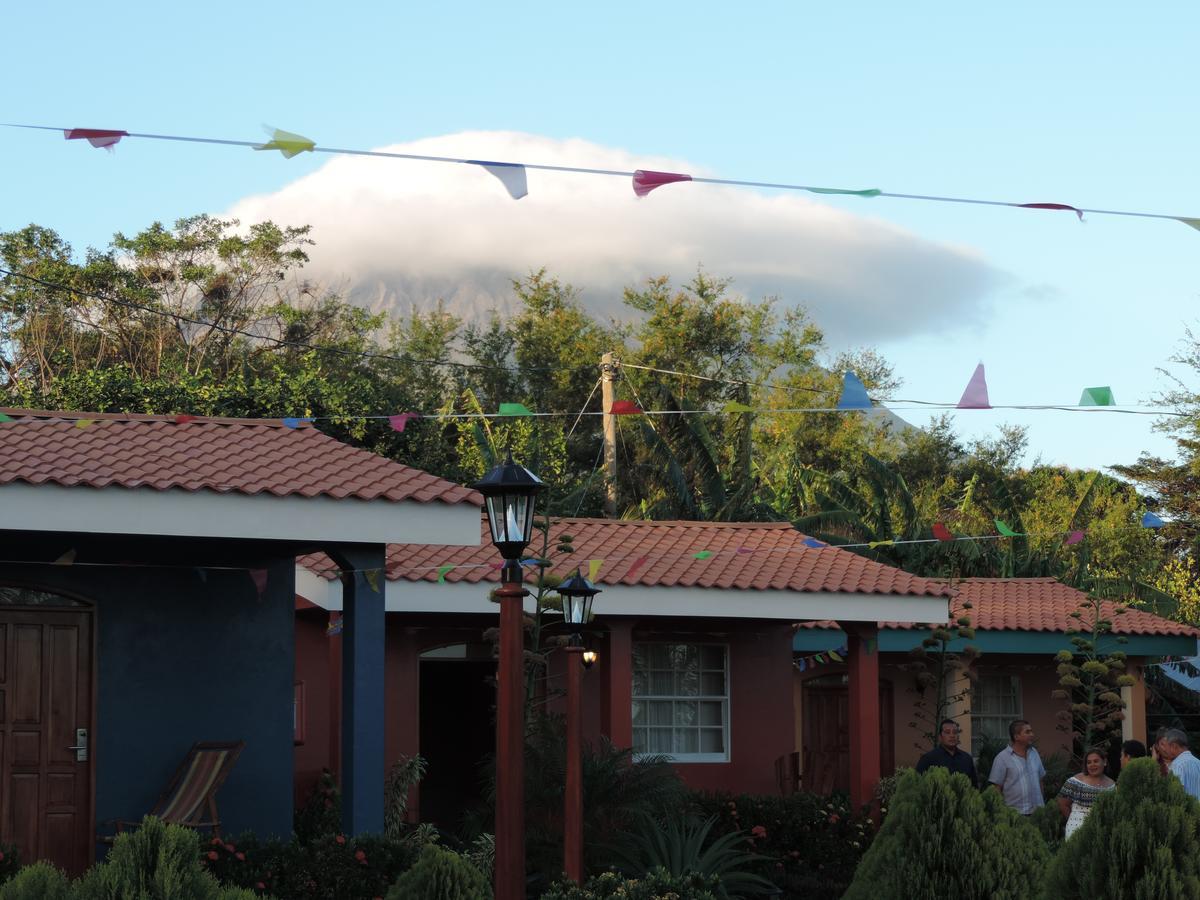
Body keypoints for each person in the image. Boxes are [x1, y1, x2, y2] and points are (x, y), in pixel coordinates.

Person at [988, 719, 1046, 814]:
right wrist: (1001, 812)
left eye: (1031, 731)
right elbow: (996, 788)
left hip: (1037, 813)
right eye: (1027, 732)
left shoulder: (1034, 753)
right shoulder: (1002, 758)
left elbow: (1040, 780)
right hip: (1015, 814)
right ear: (1016, 736)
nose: (1032, 734)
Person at [1057, 749, 1116, 839]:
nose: (1092, 765)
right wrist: (1075, 819)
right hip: (1076, 829)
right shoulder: (1074, 782)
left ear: (1104, 762)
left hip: (1102, 830)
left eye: (1096, 761)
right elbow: (1062, 804)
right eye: (1089, 762)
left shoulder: (1112, 785)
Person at [915, 719, 978, 787]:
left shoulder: (967, 758)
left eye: (955, 732)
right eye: (947, 732)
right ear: (940, 737)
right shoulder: (928, 759)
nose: (952, 735)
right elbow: (917, 785)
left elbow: (974, 786)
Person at [1158, 728, 1200, 799]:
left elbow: (1174, 795)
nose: (1165, 750)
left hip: (1185, 809)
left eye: (1166, 746)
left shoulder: (1176, 765)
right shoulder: (1198, 762)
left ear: (1174, 746)